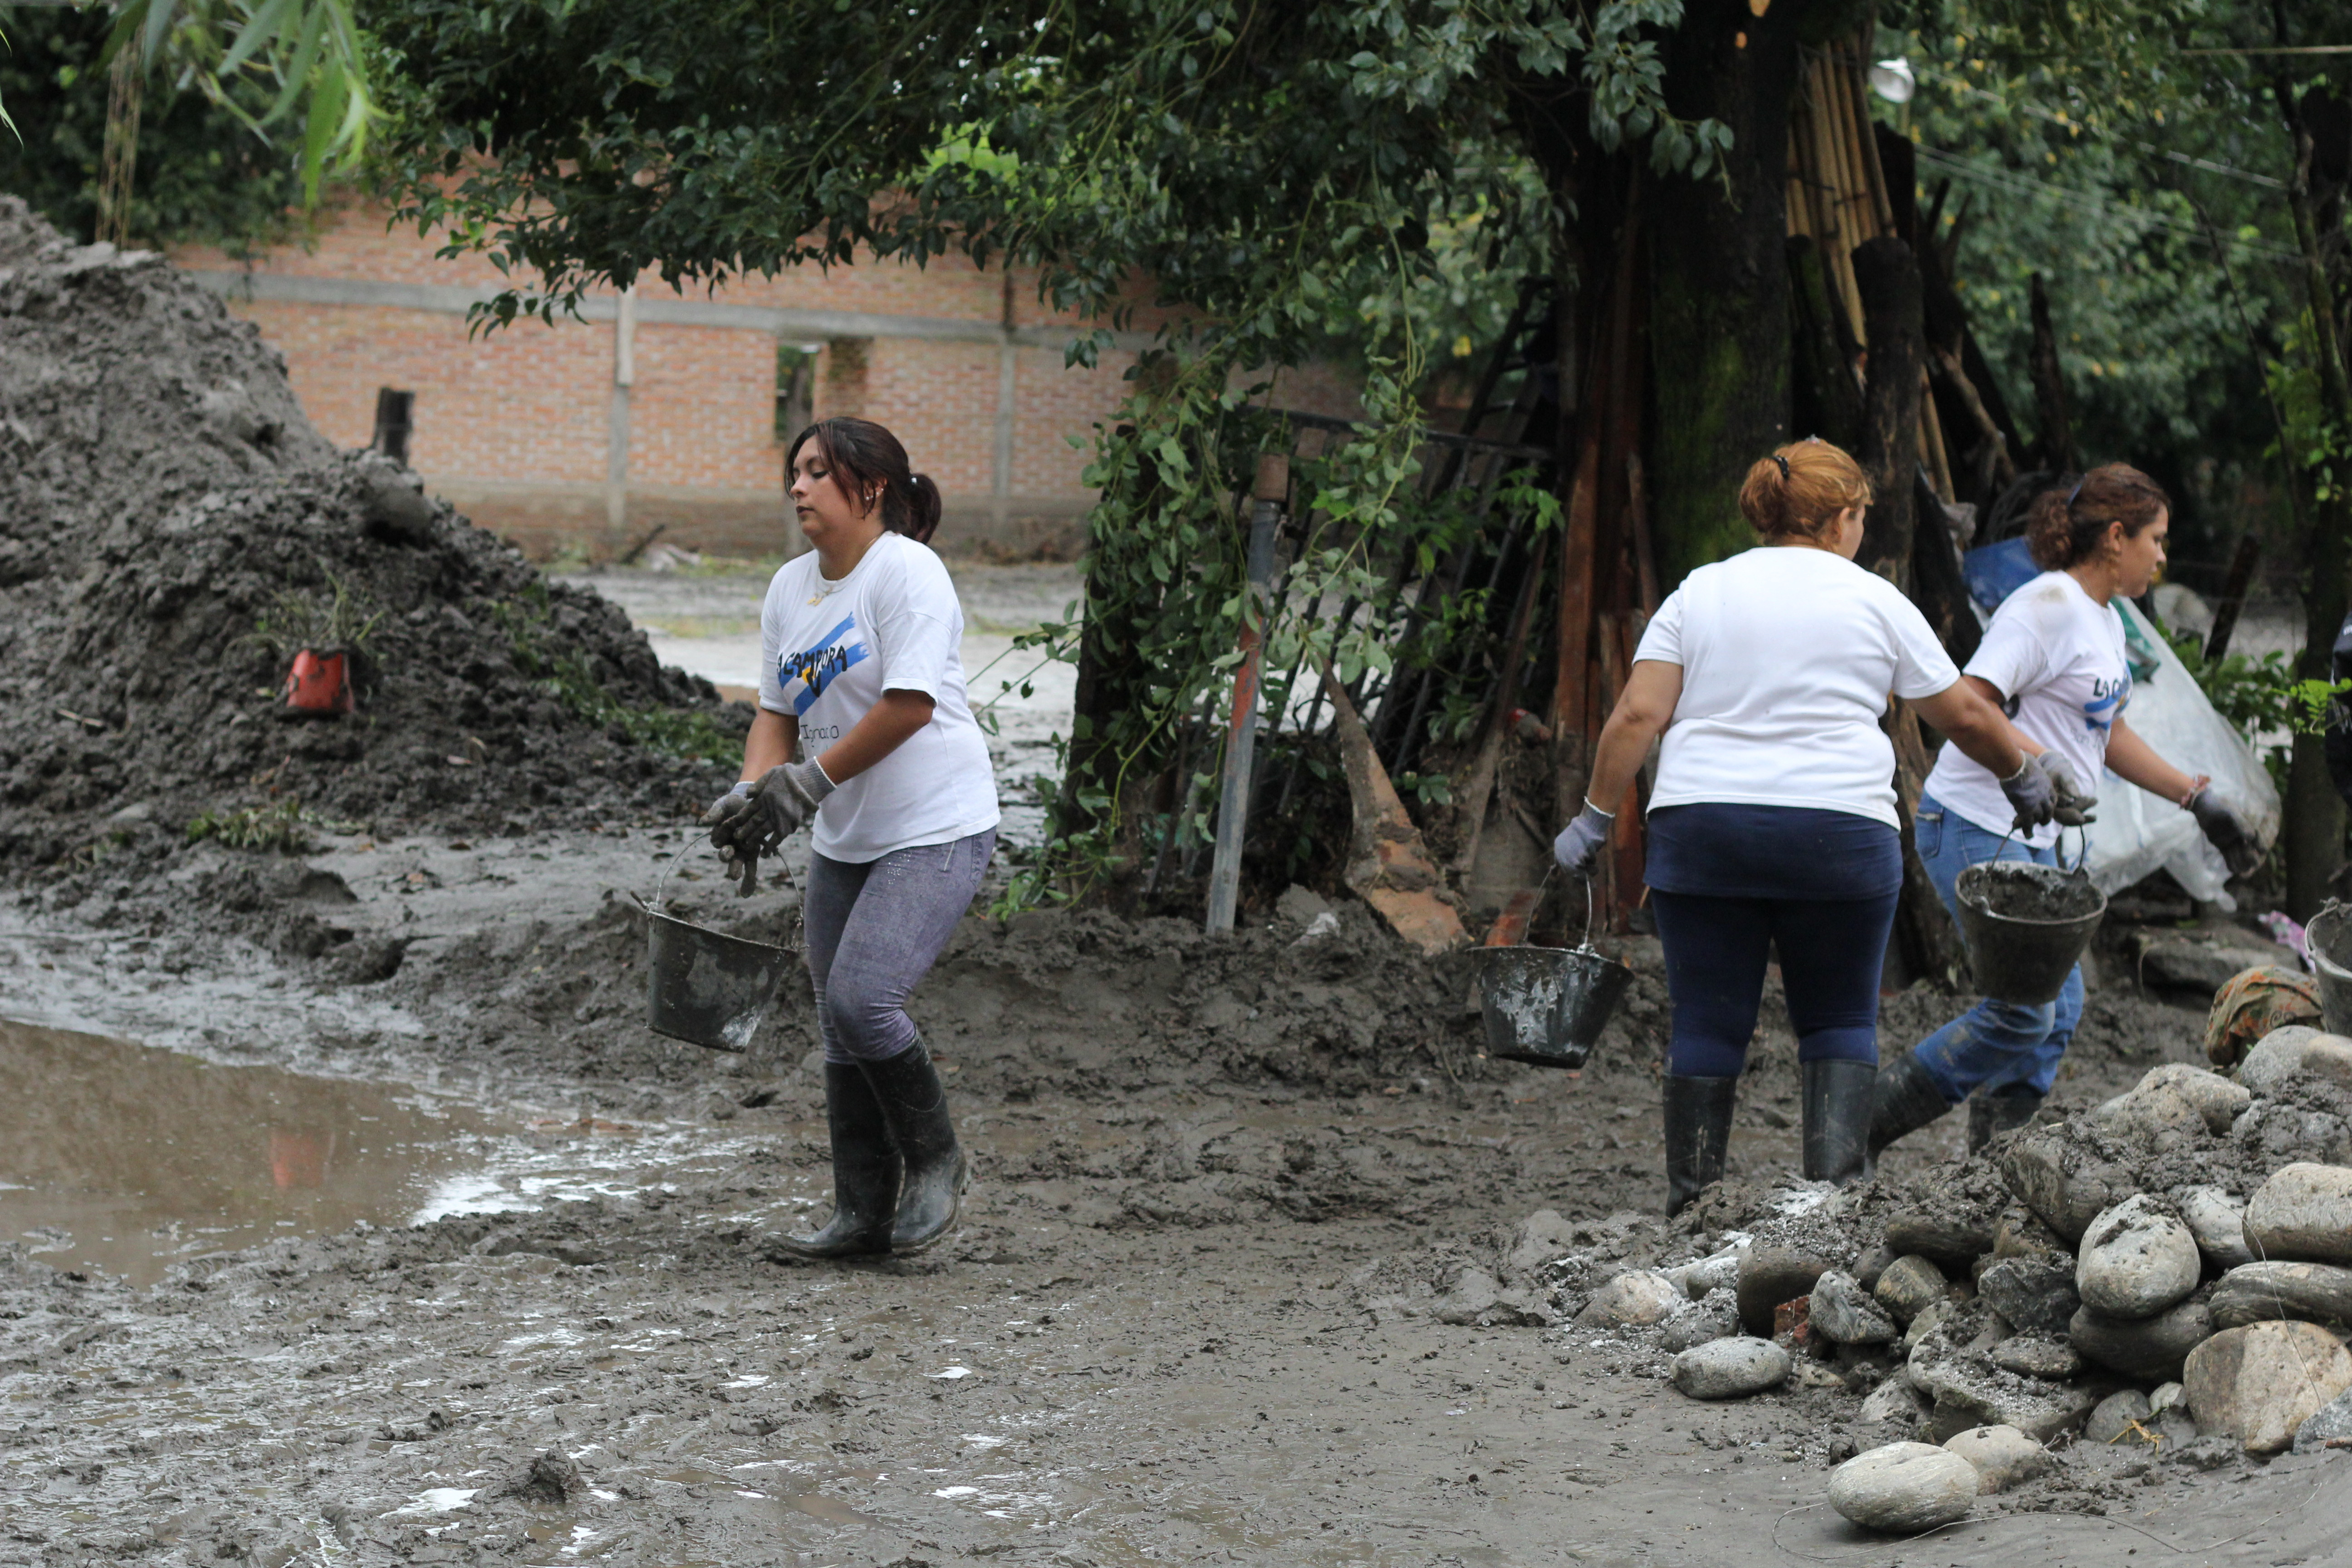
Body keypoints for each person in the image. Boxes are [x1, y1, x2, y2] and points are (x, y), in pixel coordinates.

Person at [1555, 439, 2059, 1215]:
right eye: (1860, 517)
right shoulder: (1875, 600)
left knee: (1707, 1022)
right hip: (1839, 839)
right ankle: (1834, 1207)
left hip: (1705, 832)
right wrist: (2020, 772)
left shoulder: (1701, 592)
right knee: (1838, 1019)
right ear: (1838, 520)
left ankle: (1694, 1212)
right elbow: (1962, 714)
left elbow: (1637, 715)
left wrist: (1593, 817)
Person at [1871, 464, 2261, 1155]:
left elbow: (2107, 732)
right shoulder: (2046, 606)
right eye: (2156, 540)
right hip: (1974, 824)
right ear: (2115, 537)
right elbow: (1972, 703)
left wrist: (2195, 798)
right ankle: (1866, 1124)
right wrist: (2038, 762)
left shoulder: (2106, 620)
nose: (2162, 558)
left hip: (2034, 837)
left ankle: (1995, 1164)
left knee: (2058, 1007)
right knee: (2026, 1010)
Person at [704, 417, 1001, 1258]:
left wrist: (808, 784)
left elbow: (909, 706)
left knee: (863, 1002)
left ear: (870, 489)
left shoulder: (907, 573)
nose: (796, 487)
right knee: (840, 1025)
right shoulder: (789, 587)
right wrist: (751, 793)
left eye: (816, 472)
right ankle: (860, 1213)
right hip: (847, 835)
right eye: (794, 472)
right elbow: (776, 712)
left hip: (936, 825)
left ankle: (938, 1163)